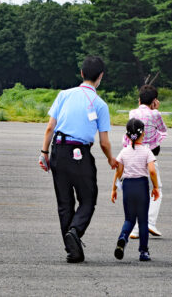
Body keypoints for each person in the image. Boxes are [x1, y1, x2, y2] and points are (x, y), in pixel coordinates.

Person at [38, 55, 118, 263]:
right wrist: (110, 159)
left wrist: (44, 153)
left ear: (82, 73)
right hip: (81, 153)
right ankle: (75, 231)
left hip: (59, 150)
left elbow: (50, 127)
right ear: (100, 77)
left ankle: (72, 249)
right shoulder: (100, 104)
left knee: (64, 203)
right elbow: (104, 142)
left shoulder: (64, 95)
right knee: (88, 198)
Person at [111, 119, 160, 261]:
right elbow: (152, 171)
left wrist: (114, 189)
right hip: (141, 185)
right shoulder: (147, 152)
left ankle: (123, 238)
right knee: (143, 220)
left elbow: (118, 172)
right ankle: (143, 252)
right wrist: (155, 187)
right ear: (143, 134)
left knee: (129, 219)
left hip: (127, 186)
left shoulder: (124, 152)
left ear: (127, 136)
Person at [123, 84, 167, 239]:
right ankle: (150, 223)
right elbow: (163, 130)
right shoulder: (155, 114)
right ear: (154, 101)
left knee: (138, 190)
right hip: (148, 155)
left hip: (132, 154)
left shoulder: (132, 112)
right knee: (156, 189)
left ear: (139, 99)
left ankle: (135, 229)